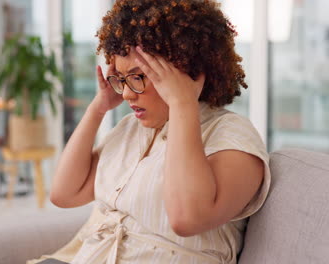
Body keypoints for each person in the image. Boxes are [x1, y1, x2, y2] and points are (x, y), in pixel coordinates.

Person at [46, 0, 270, 263]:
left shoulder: (234, 136)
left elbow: (187, 219)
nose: (127, 93)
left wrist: (182, 104)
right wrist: (98, 108)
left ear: (187, 69)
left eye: (138, 76)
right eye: (121, 78)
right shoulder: (132, 129)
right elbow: (64, 193)